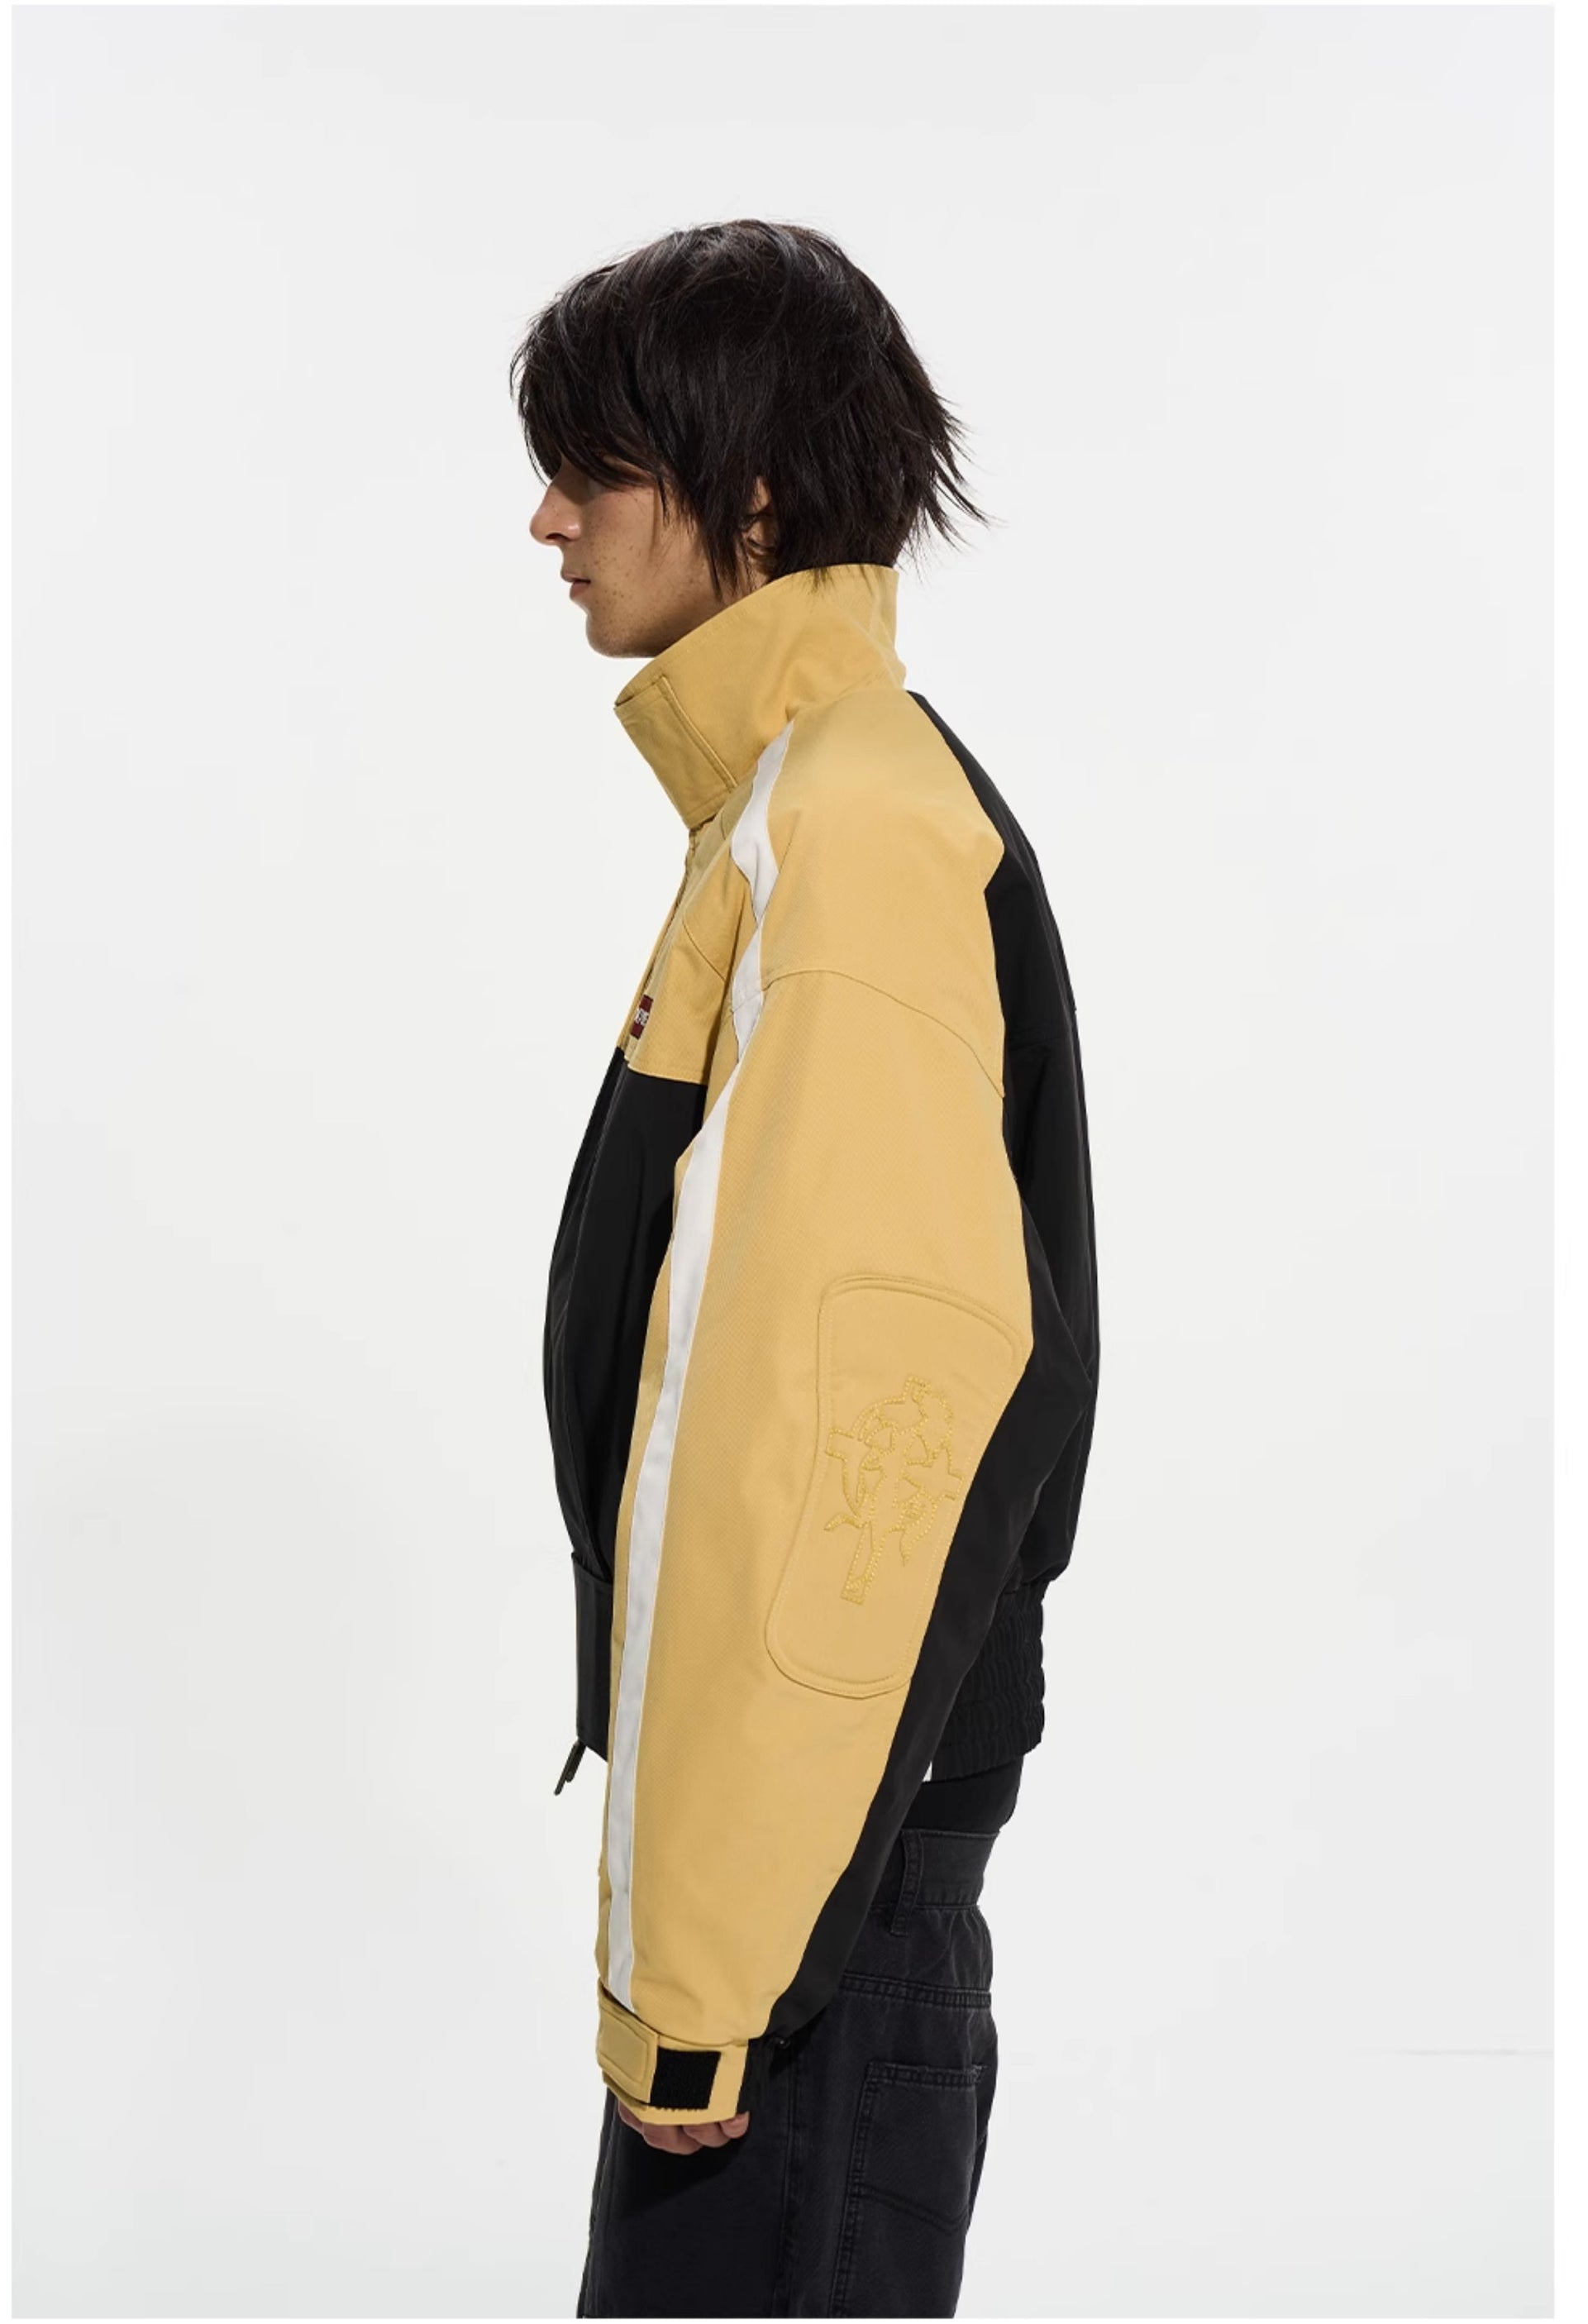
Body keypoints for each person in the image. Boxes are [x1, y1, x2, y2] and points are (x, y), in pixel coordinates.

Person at [511, 219, 1099, 2319]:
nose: (548, 518)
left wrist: (712, 1972)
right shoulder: (796, 807)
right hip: (816, 1885)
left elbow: (842, 1437)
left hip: (815, 1909)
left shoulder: (844, 831)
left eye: (594, 466)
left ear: (748, 499)